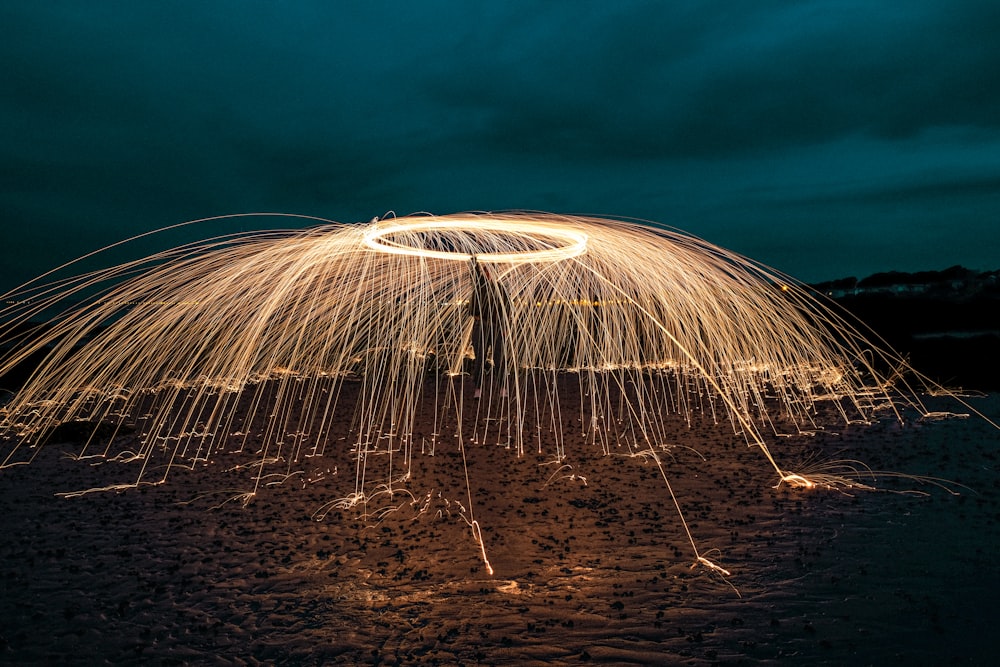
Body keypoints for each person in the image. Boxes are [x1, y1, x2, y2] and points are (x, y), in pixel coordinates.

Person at [468, 256, 509, 399]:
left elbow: (506, 309)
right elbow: (474, 273)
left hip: (496, 327)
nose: (487, 274)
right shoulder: (479, 286)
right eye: (485, 272)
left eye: (490, 271)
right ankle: (478, 389)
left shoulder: (500, 289)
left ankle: (503, 388)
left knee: (499, 359)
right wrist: (474, 259)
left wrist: (504, 328)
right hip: (481, 325)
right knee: (480, 358)